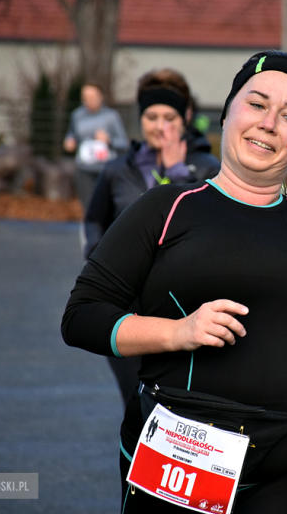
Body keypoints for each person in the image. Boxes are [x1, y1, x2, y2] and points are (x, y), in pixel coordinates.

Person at [62, 50, 287, 513]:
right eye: (256, 104)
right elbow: (82, 317)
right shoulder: (164, 209)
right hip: (182, 462)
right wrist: (176, 332)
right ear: (226, 113)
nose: (269, 123)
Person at [82, 69, 221, 407]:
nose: (161, 125)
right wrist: (100, 260)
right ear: (140, 118)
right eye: (152, 116)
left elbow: (209, 229)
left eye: (169, 117)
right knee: (137, 403)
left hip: (185, 307)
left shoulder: (206, 169)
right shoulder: (117, 170)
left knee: (181, 408)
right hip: (127, 308)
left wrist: (177, 173)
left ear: (185, 119)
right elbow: (94, 221)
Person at [63, 83, 129, 208]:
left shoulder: (111, 116)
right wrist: (69, 141)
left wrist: (109, 140)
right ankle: (88, 227)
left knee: (106, 206)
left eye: (93, 97)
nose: (89, 101)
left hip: (105, 169)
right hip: (84, 169)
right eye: (85, 98)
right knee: (88, 206)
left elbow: (124, 143)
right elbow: (71, 134)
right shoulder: (77, 115)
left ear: (101, 96)